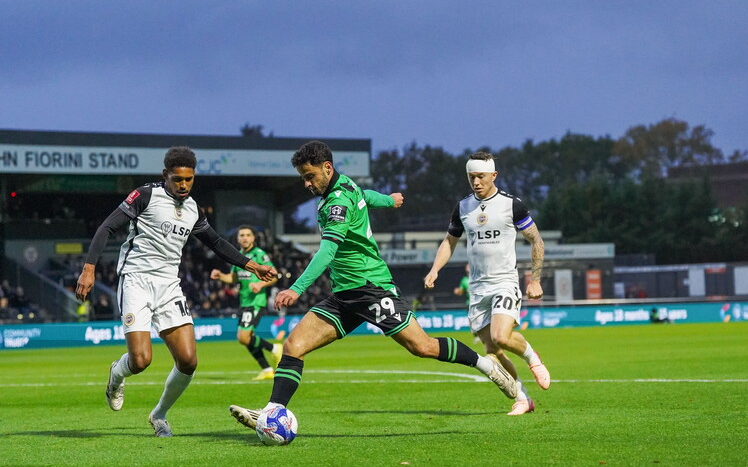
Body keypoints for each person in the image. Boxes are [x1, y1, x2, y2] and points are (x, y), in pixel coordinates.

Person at [229, 141, 519, 431]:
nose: (306, 183)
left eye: (310, 176)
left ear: (327, 168)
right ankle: (271, 412)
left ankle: (487, 366)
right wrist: (388, 200)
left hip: (371, 288)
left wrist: (296, 288)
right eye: (303, 178)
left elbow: (327, 252)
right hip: (343, 295)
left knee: (422, 347)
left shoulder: (337, 204)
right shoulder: (343, 186)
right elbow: (364, 195)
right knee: (293, 346)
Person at [76, 146, 278, 437]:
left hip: (169, 285)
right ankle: (117, 374)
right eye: (178, 179)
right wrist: (89, 268)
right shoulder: (145, 195)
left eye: (189, 179)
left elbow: (216, 242)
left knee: (188, 360)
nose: (183, 185)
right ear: (165, 175)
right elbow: (107, 227)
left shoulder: (193, 208)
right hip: (136, 281)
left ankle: (159, 416)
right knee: (141, 361)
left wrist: (251, 265)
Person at [423, 151, 550, 416]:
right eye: (471, 177)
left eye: (481, 176)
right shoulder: (463, 207)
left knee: (500, 337)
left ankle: (532, 357)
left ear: (494, 175)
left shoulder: (511, 204)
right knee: (493, 352)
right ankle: (522, 398)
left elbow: (536, 240)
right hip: (478, 288)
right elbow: (450, 241)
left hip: (504, 281)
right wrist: (435, 269)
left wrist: (535, 280)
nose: (476, 182)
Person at [210, 225, 283, 380]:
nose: (244, 238)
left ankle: (275, 348)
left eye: (248, 235)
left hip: (256, 302)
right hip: (244, 302)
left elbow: (275, 276)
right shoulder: (238, 256)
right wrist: (221, 276)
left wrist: (260, 284)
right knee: (247, 338)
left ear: (253, 238)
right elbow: (233, 278)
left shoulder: (259, 255)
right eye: (241, 235)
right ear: (237, 239)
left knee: (243, 337)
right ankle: (267, 369)